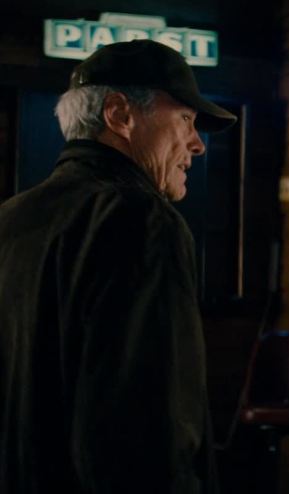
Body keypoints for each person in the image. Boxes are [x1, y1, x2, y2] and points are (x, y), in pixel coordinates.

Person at [0, 40, 237, 493]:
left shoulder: (10, 217)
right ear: (119, 114)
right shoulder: (141, 220)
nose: (197, 145)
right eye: (185, 120)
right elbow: (146, 433)